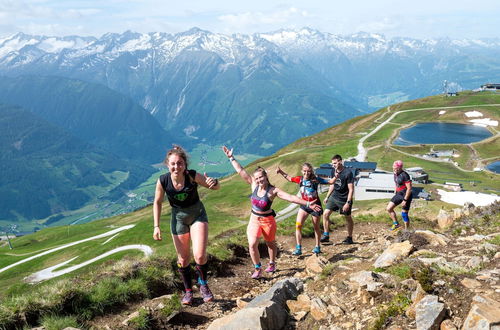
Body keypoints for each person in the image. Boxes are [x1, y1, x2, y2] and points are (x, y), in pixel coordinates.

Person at [222, 146, 321, 279]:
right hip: (254, 219)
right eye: (257, 178)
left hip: (268, 221)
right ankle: (257, 268)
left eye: (261, 178)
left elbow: (291, 197)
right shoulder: (253, 185)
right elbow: (241, 171)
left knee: (270, 244)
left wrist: (308, 203)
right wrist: (231, 158)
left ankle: (272, 262)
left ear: (265, 177)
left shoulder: (273, 190)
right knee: (252, 244)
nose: (259, 180)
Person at [153, 145, 220, 305]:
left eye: (180, 163)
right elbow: (157, 202)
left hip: (198, 215)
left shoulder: (192, 175)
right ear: (168, 165)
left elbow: (216, 187)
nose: (176, 167)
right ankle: (188, 291)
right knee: (183, 259)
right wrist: (156, 226)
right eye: (173, 164)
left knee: (199, 255)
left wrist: (214, 182)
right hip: (178, 219)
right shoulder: (163, 181)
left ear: (185, 164)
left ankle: (203, 285)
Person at [276, 163, 334, 256]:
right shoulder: (300, 179)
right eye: (305, 171)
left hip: (316, 206)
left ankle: (317, 247)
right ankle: (298, 248)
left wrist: (337, 174)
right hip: (304, 205)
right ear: (302, 171)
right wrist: (280, 171)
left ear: (311, 171)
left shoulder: (315, 179)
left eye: (308, 171)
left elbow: (330, 182)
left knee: (316, 228)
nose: (306, 173)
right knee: (298, 226)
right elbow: (289, 178)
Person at [321, 154, 355, 244]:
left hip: (344, 199)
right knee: (325, 214)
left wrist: (348, 203)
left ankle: (350, 237)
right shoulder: (333, 171)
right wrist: (327, 196)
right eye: (332, 163)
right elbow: (332, 184)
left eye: (335, 163)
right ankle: (326, 235)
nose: (333, 165)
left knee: (348, 218)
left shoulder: (348, 173)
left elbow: (351, 189)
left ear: (340, 162)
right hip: (334, 196)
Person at [386, 160, 413, 231]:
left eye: (395, 167)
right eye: (393, 167)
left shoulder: (405, 175)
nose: (393, 168)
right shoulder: (395, 173)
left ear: (399, 168)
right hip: (399, 193)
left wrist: (405, 200)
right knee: (389, 208)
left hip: (406, 195)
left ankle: (407, 230)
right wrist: (396, 190)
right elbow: (397, 182)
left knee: (404, 214)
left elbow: (409, 189)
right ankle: (396, 224)